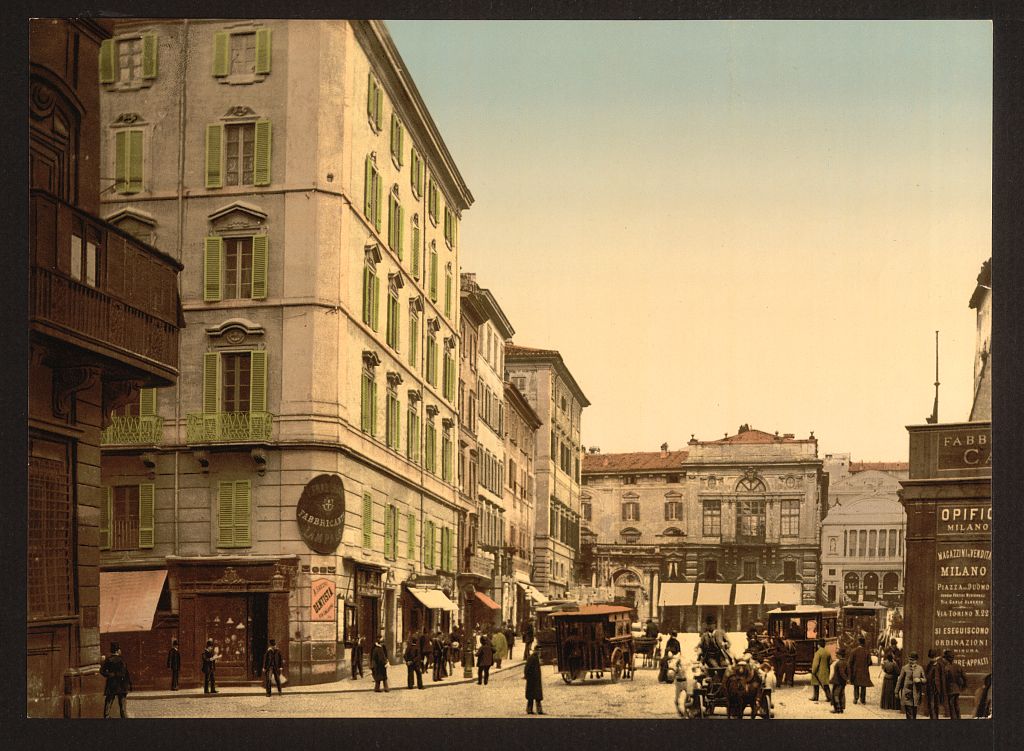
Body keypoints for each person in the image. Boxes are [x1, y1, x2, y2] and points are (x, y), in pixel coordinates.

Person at [100, 642, 132, 718]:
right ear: (117, 651)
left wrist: (110, 674)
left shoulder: (108, 660)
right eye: (120, 649)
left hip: (111, 684)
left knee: (109, 701)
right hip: (121, 685)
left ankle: (106, 717)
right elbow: (125, 673)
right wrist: (129, 685)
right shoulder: (122, 660)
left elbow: (102, 671)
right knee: (122, 704)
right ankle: (124, 719)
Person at [895, 651, 926, 719]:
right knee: (909, 713)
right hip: (907, 694)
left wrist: (920, 680)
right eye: (910, 659)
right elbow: (899, 681)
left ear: (916, 660)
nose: (911, 661)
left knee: (914, 713)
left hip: (916, 694)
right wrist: (896, 692)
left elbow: (925, 680)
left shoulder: (920, 668)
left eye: (913, 660)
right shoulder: (904, 668)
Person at [848, 636, 873, 705]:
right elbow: (870, 662)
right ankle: (863, 699)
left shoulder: (853, 651)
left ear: (858, 643)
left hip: (855, 671)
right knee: (863, 686)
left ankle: (855, 698)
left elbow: (850, 662)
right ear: (864, 643)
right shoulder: (867, 652)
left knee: (856, 685)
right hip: (864, 671)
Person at [942, 649, 967, 719]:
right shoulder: (958, 666)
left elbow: (944, 680)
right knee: (956, 704)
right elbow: (965, 678)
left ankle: (953, 719)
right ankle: (959, 718)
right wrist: (963, 687)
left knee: (951, 705)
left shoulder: (946, 668)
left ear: (946, 659)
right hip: (957, 689)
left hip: (950, 689)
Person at [924, 648, 945, 719]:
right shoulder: (928, 666)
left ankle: (936, 718)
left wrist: (942, 689)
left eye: (933, 658)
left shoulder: (940, 666)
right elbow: (926, 676)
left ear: (936, 657)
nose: (932, 659)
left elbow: (942, 678)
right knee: (931, 704)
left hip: (938, 688)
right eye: (931, 658)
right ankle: (932, 718)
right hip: (930, 688)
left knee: (936, 704)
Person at [809, 639, 832, 703]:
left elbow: (815, 664)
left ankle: (815, 697)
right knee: (825, 685)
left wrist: (813, 671)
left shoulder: (818, 653)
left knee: (816, 685)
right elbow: (830, 662)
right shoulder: (827, 652)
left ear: (818, 645)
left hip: (818, 672)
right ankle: (829, 697)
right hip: (826, 671)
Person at [524, 644, 544, 715]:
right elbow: (527, 668)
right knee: (533, 696)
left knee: (534, 696)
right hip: (533, 680)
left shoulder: (534, 658)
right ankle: (532, 710)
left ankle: (535, 710)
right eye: (539, 651)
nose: (540, 652)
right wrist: (528, 677)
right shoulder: (533, 658)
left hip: (535, 680)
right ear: (537, 651)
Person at [830, 647, 850, 714]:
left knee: (835, 695)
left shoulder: (839, 663)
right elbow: (848, 672)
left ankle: (837, 709)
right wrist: (847, 679)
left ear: (840, 655)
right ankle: (841, 708)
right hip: (842, 682)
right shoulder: (846, 662)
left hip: (837, 681)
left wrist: (846, 679)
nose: (836, 655)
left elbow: (841, 673)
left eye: (837, 654)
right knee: (842, 694)